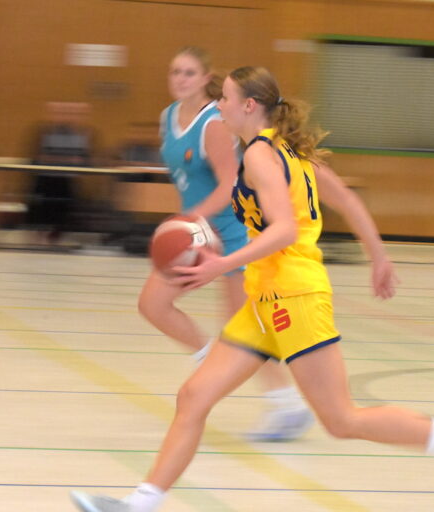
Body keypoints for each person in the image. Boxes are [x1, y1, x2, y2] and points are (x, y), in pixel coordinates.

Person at [71, 66, 434, 512]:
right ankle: (140, 504)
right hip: (266, 298)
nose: (218, 105)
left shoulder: (260, 155)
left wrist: (220, 264)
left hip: (294, 296)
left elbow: (285, 231)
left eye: (226, 99)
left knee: (341, 419)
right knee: (194, 396)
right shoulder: (290, 151)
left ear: (249, 107)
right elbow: (345, 201)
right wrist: (378, 257)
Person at [138, 47, 313, 441]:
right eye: (174, 71)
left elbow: (229, 183)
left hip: (231, 231)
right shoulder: (168, 117)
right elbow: (185, 176)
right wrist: (188, 225)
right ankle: (209, 363)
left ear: (204, 78)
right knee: (152, 304)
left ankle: (288, 406)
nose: (180, 78)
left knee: (242, 329)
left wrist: (191, 217)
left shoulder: (214, 124)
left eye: (188, 73)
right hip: (198, 234)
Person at [28, 101, 96, 246]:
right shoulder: (44, 132)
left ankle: (55, 236)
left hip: (67, 179)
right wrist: (66, 159)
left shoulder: (83, 134)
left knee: (64, 208)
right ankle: (40, 233)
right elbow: (39, 157)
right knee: (43, 207)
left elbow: (84, 159)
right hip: (46, 178)